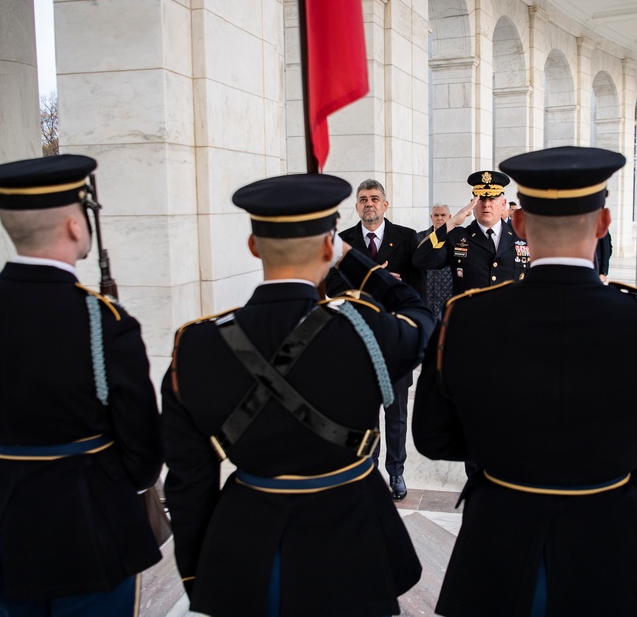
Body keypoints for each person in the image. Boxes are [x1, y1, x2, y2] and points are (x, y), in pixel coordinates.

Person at [412, 145, 637, 616]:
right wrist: (607, 477)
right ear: (603, 224)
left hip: (500, 530)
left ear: (519, 223)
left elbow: (434, 436)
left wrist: (504, 459)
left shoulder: (466, 320)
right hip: (616, 536)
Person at [162, 174, 434, 617]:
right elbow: (419, 315)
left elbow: (188, 482)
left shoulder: (196, 345)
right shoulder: (365, 328)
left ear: (253, 246)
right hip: (354, 543)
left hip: (249, 546)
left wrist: (199, 573)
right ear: (331, 247)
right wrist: (359, 264)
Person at [0, 154, 164, 616]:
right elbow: (142, 448)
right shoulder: (103, 321)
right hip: (90, 525)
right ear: (77, 226)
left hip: (1, 515)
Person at [325, 178, 423, 500]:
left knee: (395, 416)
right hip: (359, 341)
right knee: (365, 413)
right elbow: (333, 285)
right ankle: (369, 472)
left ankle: (396, 472)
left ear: (385, 204)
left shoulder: (407, 239)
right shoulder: (343, 240)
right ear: (356, 207)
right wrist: (376, 281)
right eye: (363, 199)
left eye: (375, 198)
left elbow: (418, 290)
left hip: (394, 339)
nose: (369, 203)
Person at [412, 170, 529, 298]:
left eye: (492, 198)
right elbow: (421, 260)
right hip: (469, 316)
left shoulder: (522, 235)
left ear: (503, 204)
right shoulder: (457, 237)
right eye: (481, 199)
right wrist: (451, 223)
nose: (486, 205)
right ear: (472, 204)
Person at [415, 203, 459, 321]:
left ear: (450, 217)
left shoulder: (457, 239)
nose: (439, 218)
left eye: (443, 215)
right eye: (436, 215)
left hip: (449, 296)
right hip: (426, 295)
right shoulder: (419, 238)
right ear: (431, 218)